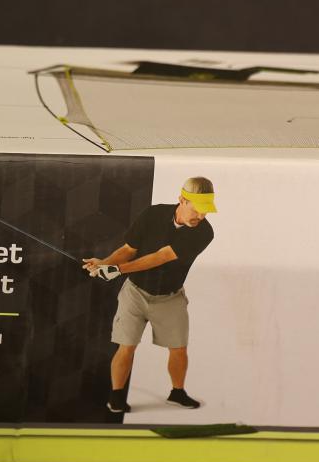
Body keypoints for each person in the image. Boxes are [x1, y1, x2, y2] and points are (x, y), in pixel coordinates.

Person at [82, 177, 217, 414]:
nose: (201, 216)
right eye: (196, 209)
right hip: (134, 293)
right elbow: (129, 249)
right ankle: (116, 396)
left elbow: (161, 257)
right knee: (126, 346)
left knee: (178, 348)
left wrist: (117, 270)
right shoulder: (153, 214)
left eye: (205, 211)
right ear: (182, 200)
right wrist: (104, 263)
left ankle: (177, 392)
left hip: (170, 297)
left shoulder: (204, 232)